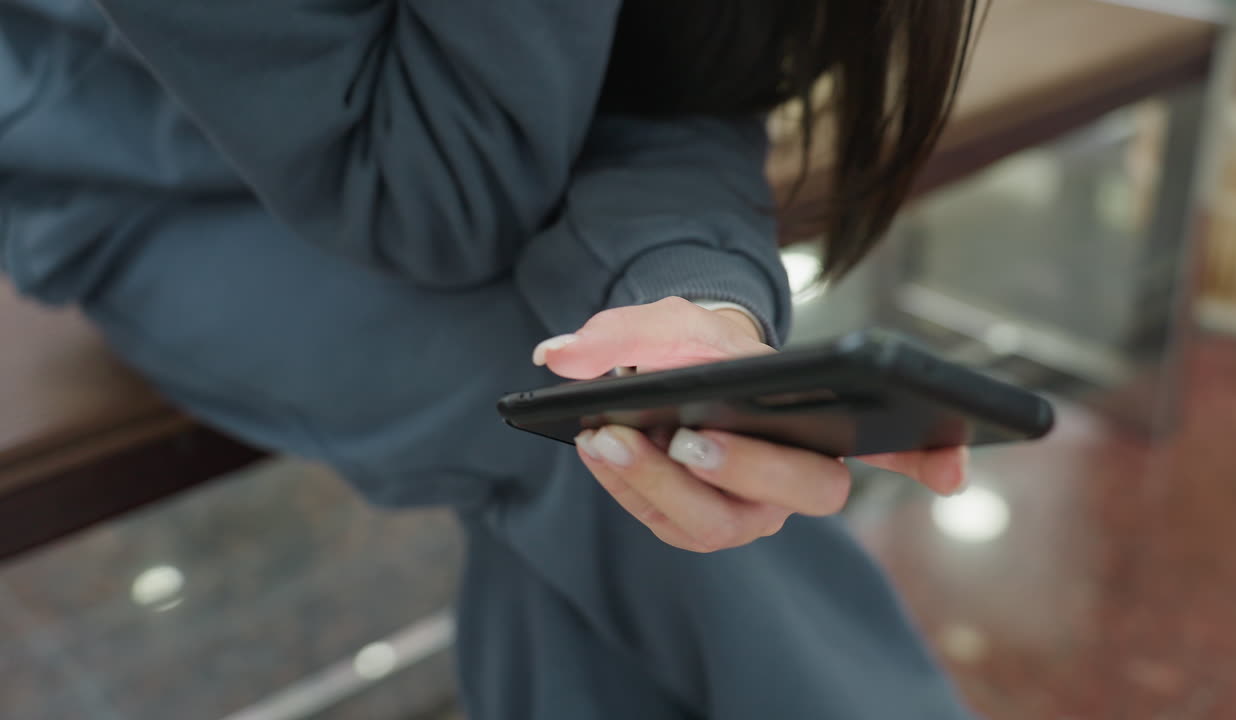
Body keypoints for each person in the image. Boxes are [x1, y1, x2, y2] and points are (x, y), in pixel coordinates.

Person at [2, 1, 982, 717]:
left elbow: (674, 76)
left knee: (638, 416)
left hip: (477, 143)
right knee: (588, 433)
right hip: (138, 176)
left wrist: (684, 295)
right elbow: (429, 193)